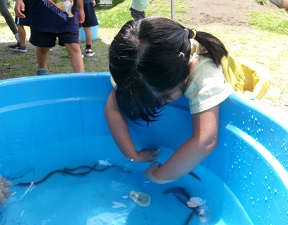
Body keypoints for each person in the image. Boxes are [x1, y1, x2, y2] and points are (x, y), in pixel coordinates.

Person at [104, 17, 234, 184]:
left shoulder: (204, 75)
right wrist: (132, 155)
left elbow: (206, 140)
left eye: (159, 101)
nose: (151, 105)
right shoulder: (132, 69)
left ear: (181, 79)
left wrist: (159, 176)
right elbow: (112, 108)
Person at [14, 0, 85, 75]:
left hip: (68, 16)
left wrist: (81, 9)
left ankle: (81, 79)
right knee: (43, 47)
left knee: (74, 46)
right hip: (42, 15)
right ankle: (42, 69)